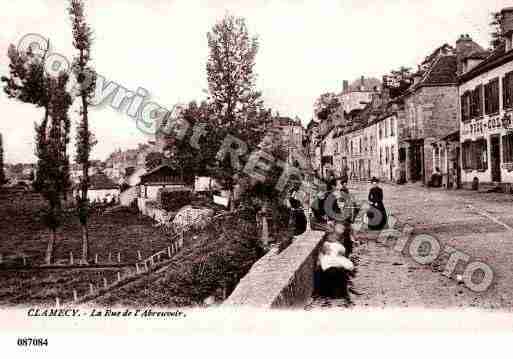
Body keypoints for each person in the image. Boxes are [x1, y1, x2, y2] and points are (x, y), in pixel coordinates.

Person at [316, 231, 354, 300]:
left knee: (337, 273)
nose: (333, 238)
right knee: (338, 273)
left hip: (331, 265)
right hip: (331, 265)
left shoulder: (335, 245)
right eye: (331, 236)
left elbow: (342, 253)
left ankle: (336, 293)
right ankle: (338, 293)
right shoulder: (327, 245)